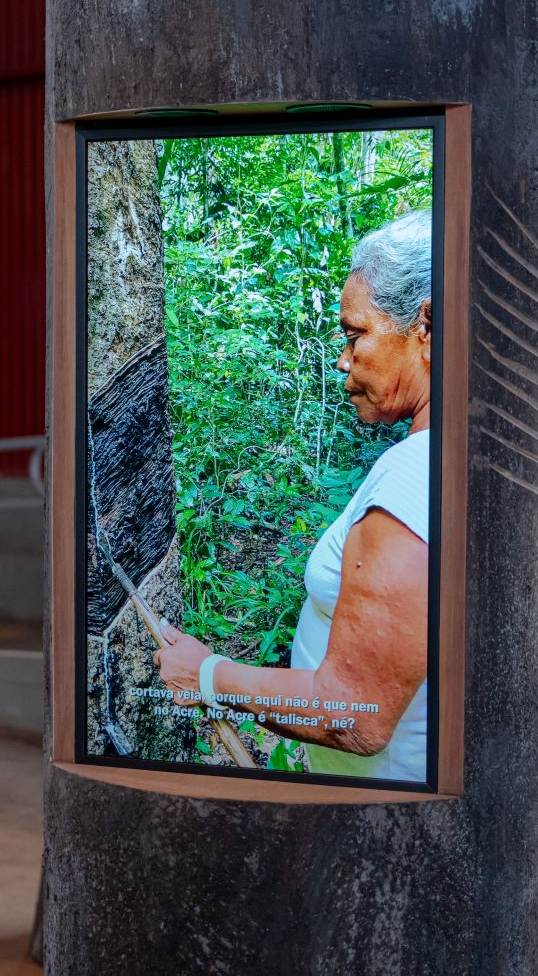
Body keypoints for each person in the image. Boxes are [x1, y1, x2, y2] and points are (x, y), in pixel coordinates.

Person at [155, 210, 434, 782]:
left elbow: (352, 712)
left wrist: (207, 676)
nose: (342, 359)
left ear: (427, 326)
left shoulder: (415, 479)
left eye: (356, 334)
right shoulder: (456, 453)